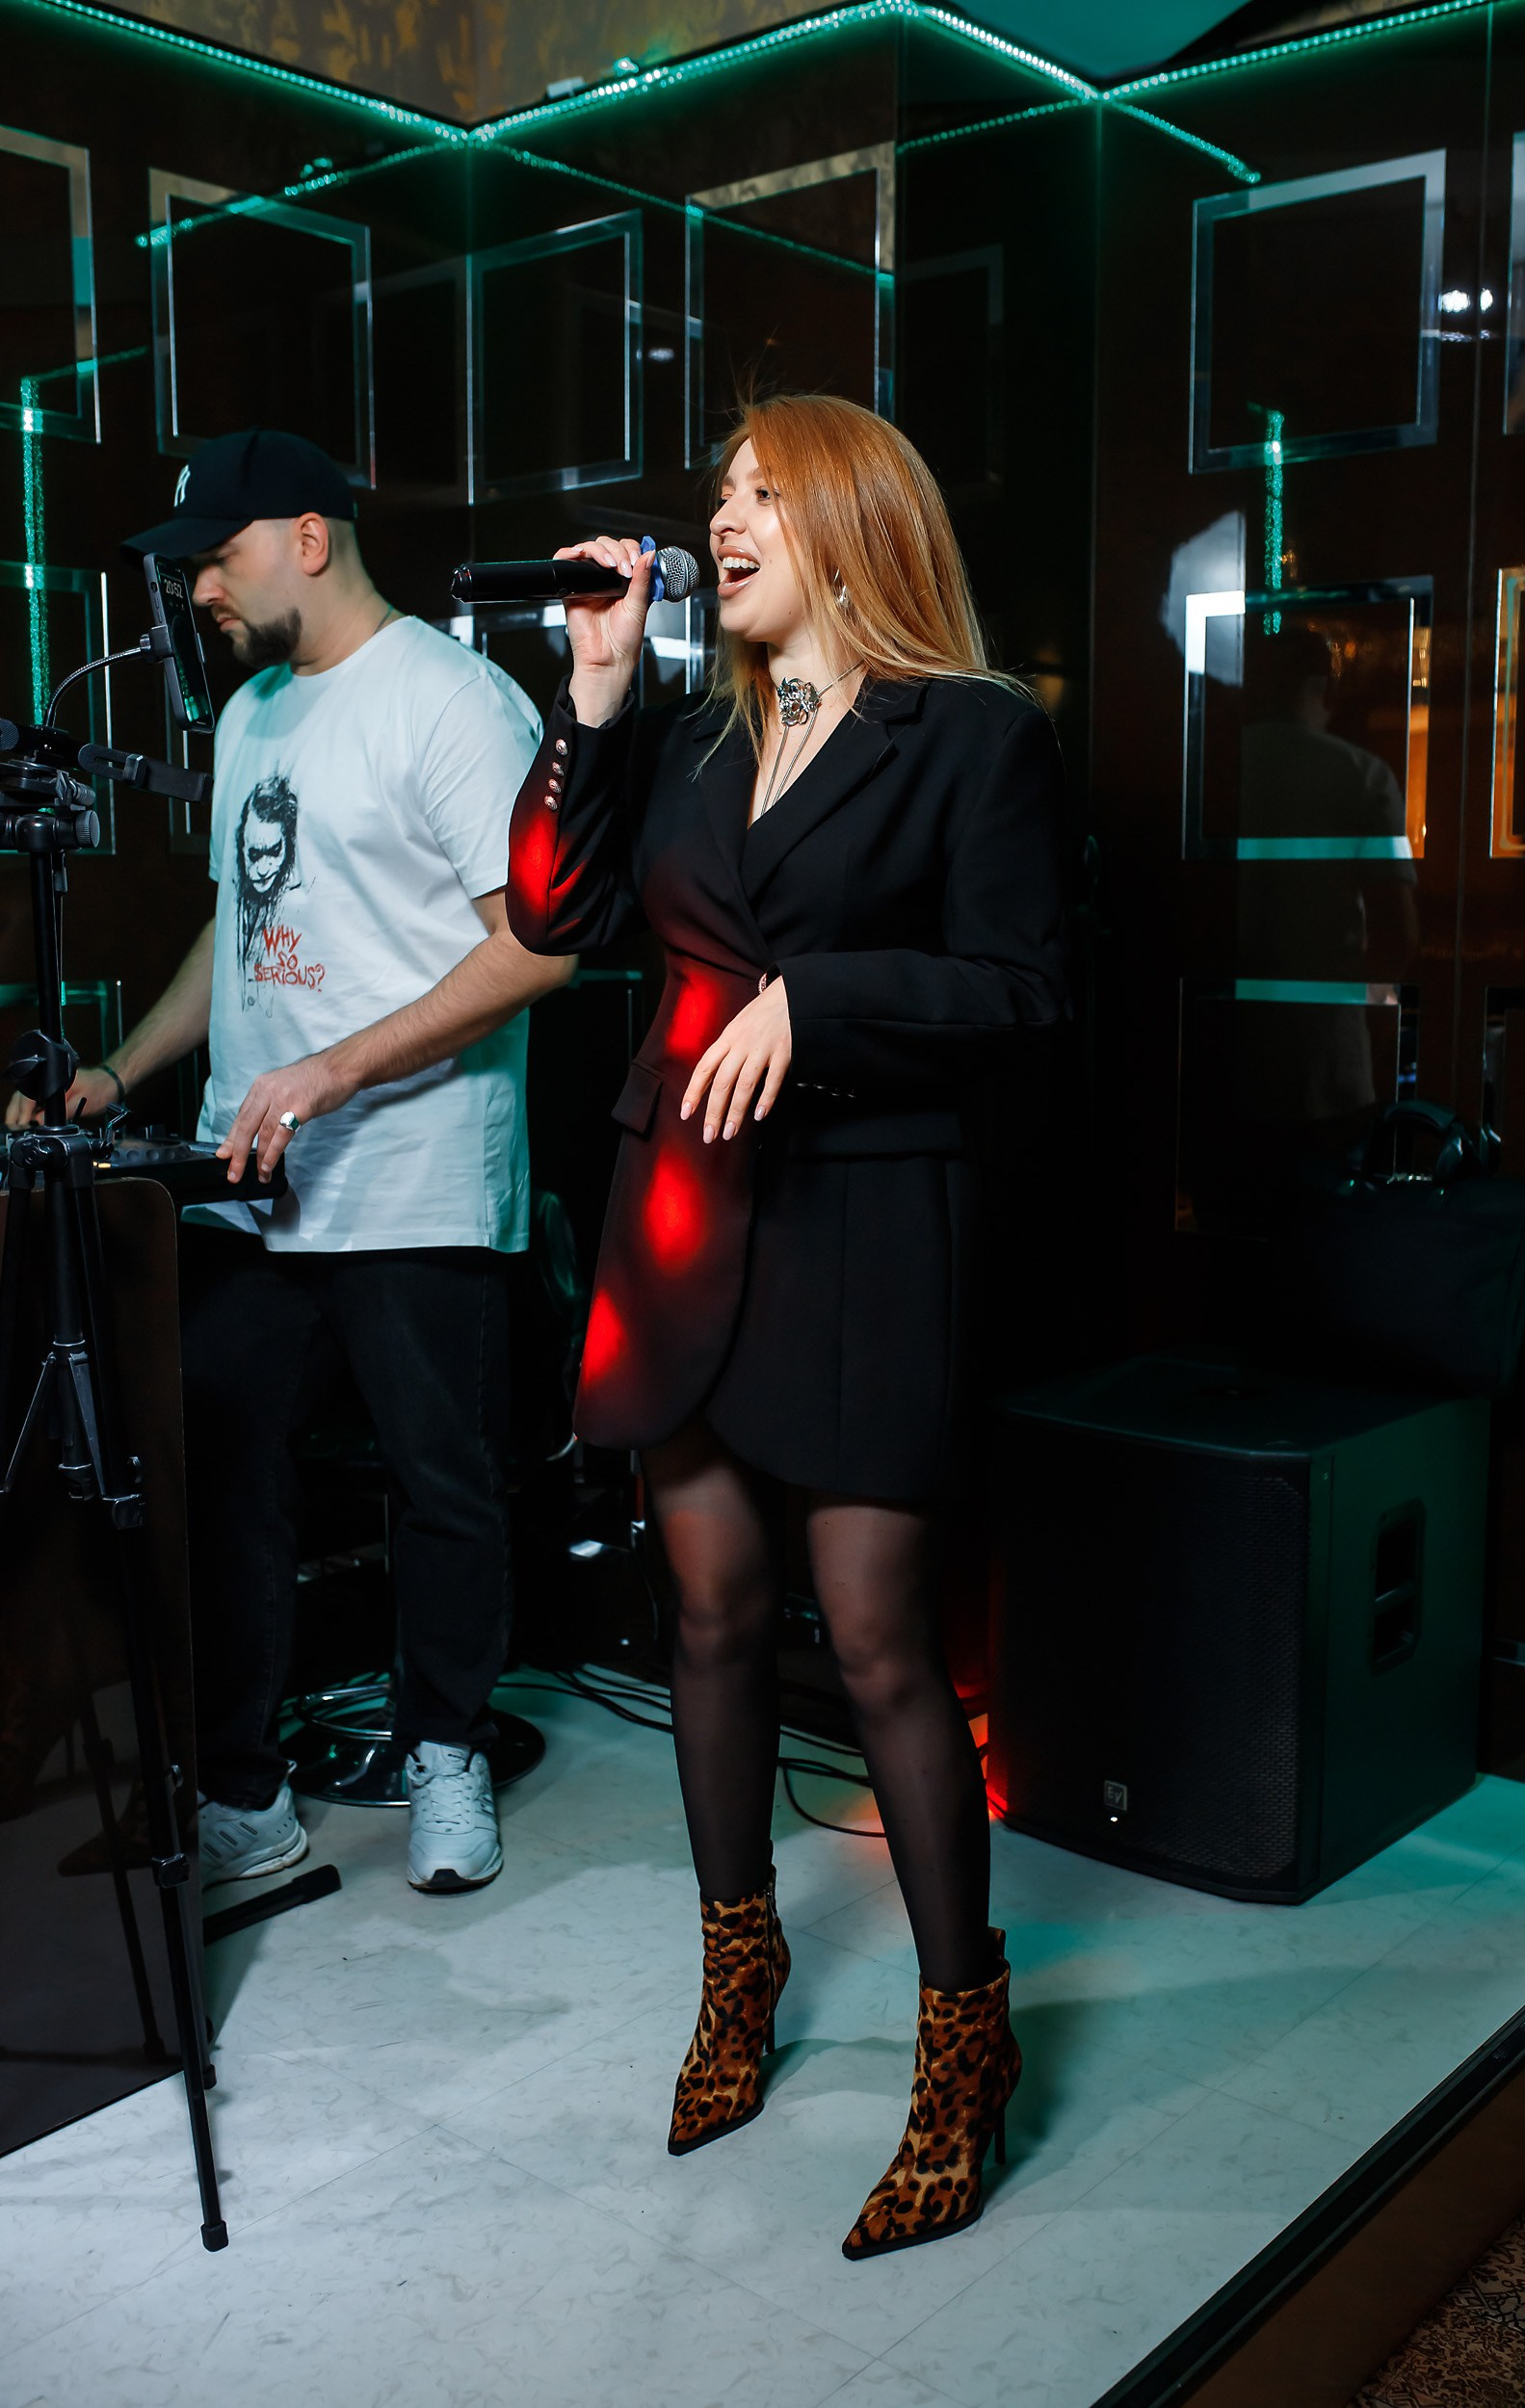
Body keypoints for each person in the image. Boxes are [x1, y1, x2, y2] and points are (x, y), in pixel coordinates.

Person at [505, 394, 1066, 2258]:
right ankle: (736, 1975)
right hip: (679, 1218)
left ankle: (964, 2039)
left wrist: (818, 1003)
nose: (722, 520)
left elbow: (1021, 989)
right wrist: (593, 693)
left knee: (884, 1643)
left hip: (865, 1221)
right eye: (719, 494)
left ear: (848, 521)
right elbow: (555, 910)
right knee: (710, 1620)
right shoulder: (685, 733)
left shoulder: (973, 732)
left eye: (762, 493)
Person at [8, 428, 575, 1893]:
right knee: (220, 1471)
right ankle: (244, 1793)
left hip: (413, 1176)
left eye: (217, 556)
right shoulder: (254, 713)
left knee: (441, 1481)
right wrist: (120, 1070)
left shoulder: (454, 703)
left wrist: (334, 1068)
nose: (197, 586)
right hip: (246, 1183)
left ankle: (447, 1755)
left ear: (309, 538)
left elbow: (534, 947)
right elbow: (242, 929)